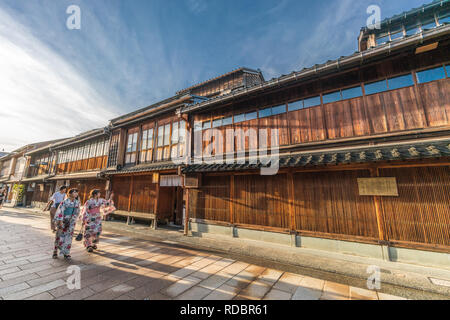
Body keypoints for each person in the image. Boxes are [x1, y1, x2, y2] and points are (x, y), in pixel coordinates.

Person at [52, 188, 80, 260]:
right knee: (59, 235)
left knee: (69, 236)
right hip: (63, 220)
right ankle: (55, 251)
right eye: (74, 192)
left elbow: (77, 212)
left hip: (71, 221)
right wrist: (60, 221)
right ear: (69, 193)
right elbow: (60, 211)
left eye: (77, 192)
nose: (76, 194)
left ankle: (66, 252)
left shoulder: (77, 202)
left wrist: (73, 219)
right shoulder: (64, 202)